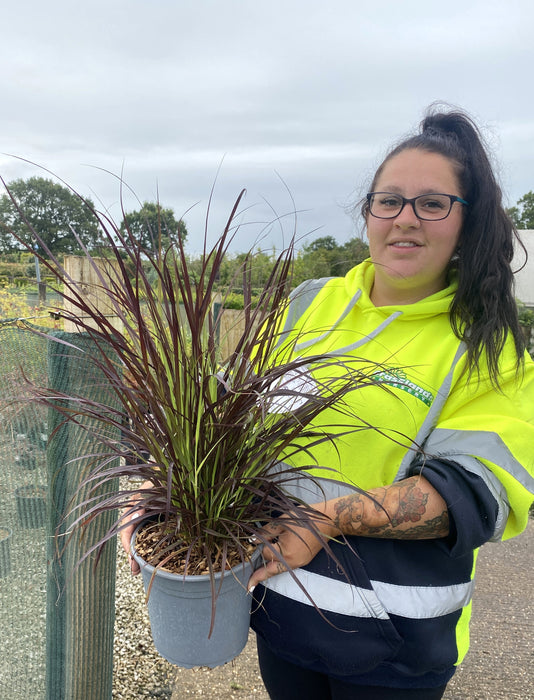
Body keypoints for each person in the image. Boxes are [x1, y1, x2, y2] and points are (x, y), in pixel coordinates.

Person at [122, 107, 534, 699]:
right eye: (388, 200)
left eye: (433, 203)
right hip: (281, 610)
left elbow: (469, 494)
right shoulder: (313, 304)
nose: (405, 220)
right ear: (368, 212)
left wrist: (324, 519)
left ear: (470, 224)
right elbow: (222, 405)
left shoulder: (489, 349)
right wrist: (152, 489)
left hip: (396, 644)